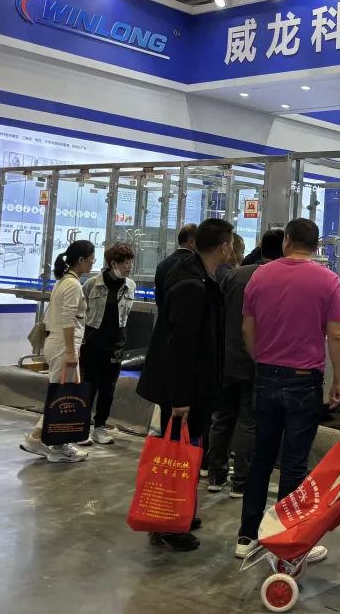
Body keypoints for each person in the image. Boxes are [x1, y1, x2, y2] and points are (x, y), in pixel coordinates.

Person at [235, 219, 340, 560]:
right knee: (295, 464)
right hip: (304, 381)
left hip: (265, 377)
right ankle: (286, 542)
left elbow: (247, 329)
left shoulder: (260, 276)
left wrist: (261, 360)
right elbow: (337, 335)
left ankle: (247, 536)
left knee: (261, 459)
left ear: (286, 240)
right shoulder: (328, 280)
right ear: (316, 246)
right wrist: (339, 381)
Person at [137, 218, 234, 552]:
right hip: (183, 390)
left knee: (188, 453)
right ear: (224, 246)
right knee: (177, 456)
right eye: (230, 243)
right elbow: (180, 344)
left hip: (192, 387)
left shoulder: (197, 276)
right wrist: (180, 397)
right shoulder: (191, 285)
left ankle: (180, 511)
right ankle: (166, 523)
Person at [207, 230, 284, 497]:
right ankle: (241, 482)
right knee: (249, 421)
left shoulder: (235, 275)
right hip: (257, 359)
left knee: (222, 418)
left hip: (227, 356)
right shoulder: (276, 279)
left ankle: (215, 475)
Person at [20, 240, 97, 464]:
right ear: (81, 260)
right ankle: (51, 443)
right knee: (64, 397)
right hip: (64, 345)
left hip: (58, 343)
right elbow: (68, 319)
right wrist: (71, 352)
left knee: (61, 395)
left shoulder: (64, 281)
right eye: (91, 259)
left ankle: (47, 440)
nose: (93, 263)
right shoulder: (72, 285)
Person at [79, 242, 136, 445]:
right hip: (94, 341)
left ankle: (100, 426)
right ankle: (81, 427)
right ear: (113, 263)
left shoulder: (131, 285)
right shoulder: (92, 284)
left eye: (131, 261)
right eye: (125, 262)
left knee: (108, 387)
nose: (129, 266)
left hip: (117, 342)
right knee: (89, 384)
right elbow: (80, 310)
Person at [154, 223, 196, 309]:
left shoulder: (162, 265)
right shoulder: (196, 265)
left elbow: (159, 299)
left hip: (164, 316)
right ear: (192, 242)